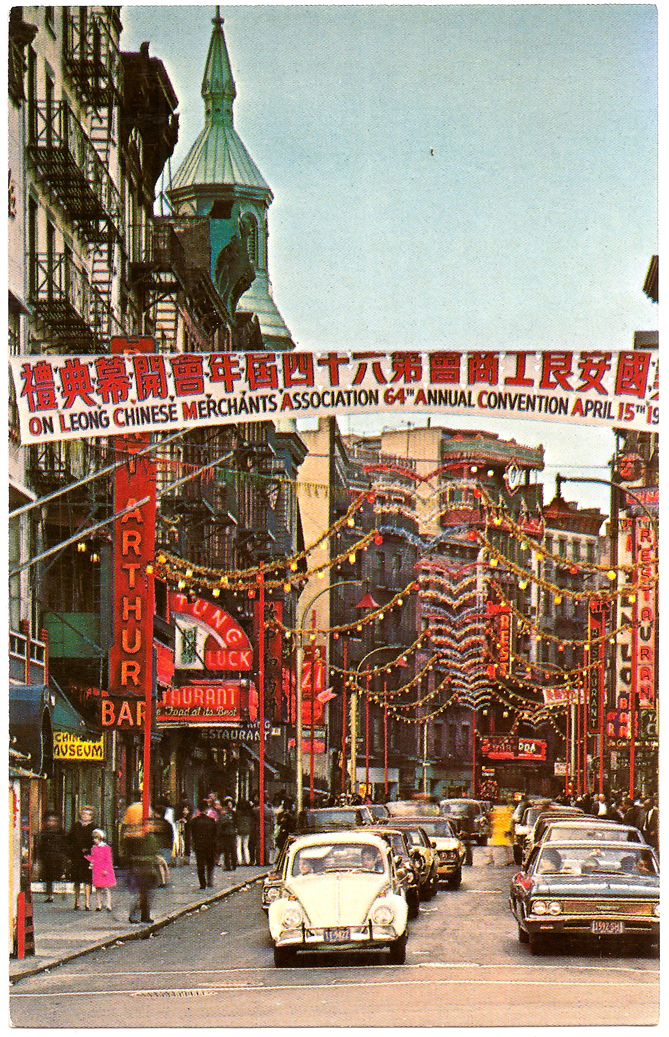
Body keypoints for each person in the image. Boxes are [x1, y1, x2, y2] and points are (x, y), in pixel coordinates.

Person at [67, 805, 97, 910]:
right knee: (76, 879)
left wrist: (89, 850)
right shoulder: (76, 826)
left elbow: (96, 841)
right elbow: (69, 839)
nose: (84, 816)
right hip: (76, 855)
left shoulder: (94, 828)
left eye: (87, 814)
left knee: (87, 880)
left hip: (88, 856)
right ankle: (77, 901)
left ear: (91, 816)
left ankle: (87, 902)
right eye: (83, 814)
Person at [36, 813, 68, 902]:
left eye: (54, 821)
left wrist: (64, 854)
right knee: (48, 876)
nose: (52, 823)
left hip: (58, 856)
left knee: (59, 874)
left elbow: (65, 844)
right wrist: (40, 856)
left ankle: (62, 892)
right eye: (50, 821)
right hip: (48, 856)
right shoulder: (44, 832)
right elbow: (41, 845)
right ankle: (50, 894)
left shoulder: (60, 832)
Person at [189, 798, 219, 889]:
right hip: (210, 845)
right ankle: (209, 881)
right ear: (206, 810)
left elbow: (192, 834)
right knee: (210, 864)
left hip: (199, 845)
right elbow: (215, 834)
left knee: (200, 864)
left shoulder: (194, 821)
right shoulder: (211, 821)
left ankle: (202, 884)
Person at [84, 829, 116, 912]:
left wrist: (106, 869)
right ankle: (99, 905)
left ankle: (108, 904)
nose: (94, 840)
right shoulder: (93, 848)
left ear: (100, 838)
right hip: (97, 869)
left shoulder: (105, 847)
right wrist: (87, 857)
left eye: (96, 838)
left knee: (105, 888)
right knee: (98, 888)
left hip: (103, 870)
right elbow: (93, 858)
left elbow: (108, 859)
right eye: (94, 838)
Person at [217, 798, 237, 870]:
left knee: (226, 851)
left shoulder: (223, 817)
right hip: (232, 833)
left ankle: (228, 865)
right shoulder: (233, 814)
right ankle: (234, 864)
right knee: (233, 850)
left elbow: (220, 824)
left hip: (225, 834)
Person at [235, 798, 253, 865]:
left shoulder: (237, 813)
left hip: (239, 830)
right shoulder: (248, 813)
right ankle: (247, 860)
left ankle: (239, 861)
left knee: (238, 846)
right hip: (247, 830)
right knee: (245, 846)